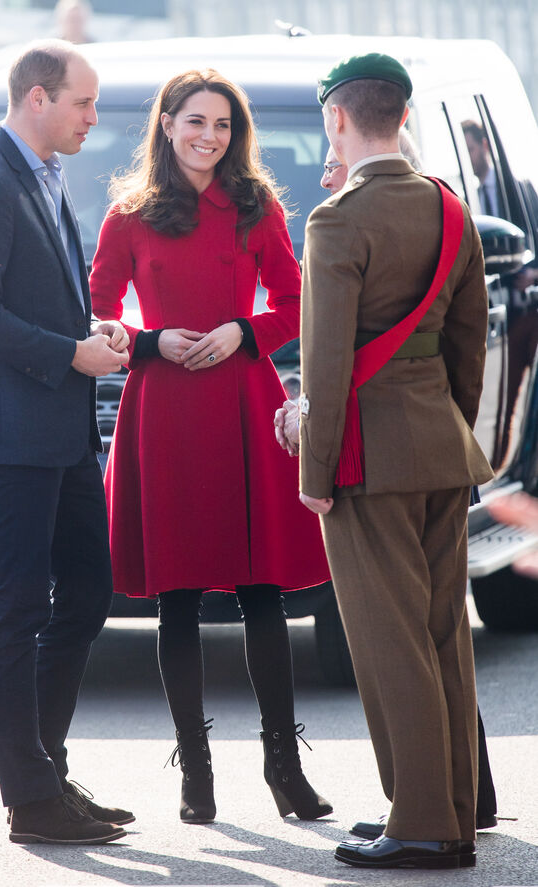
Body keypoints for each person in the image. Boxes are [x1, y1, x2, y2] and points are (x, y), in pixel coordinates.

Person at [89, 68, 332, 825]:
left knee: (262, 591)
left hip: (242, 400)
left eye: (223, 124)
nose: (209, 136)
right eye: (196, 120)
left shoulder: (256, 209)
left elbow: (298, 305)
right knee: (179, 597)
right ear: (167, 124)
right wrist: (152, 340)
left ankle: (283, 768)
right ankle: (196, 772)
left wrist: (244, 330)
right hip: (164, 412)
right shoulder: (127, 216)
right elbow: (96, 318)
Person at [0, 40, 133, 846]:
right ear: (37, 98)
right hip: (15, 432)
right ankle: (32, 800)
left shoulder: (46, 175)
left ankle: (48, 772)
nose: (92, 118)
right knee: (16, 607)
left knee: (86, 589)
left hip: (63, 428)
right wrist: (66, 353)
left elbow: (37, 296)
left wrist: (92, 331)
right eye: (83, 103)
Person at [298, 53, 494, 869]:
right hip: (442, 444)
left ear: (337, 118)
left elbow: (326, 365)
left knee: (391, 640)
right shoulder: (451, 209)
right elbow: (468, 341)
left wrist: (315, 473)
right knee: (444, 629)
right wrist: (444, 420)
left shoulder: (337, 221)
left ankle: (423, 824)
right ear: (404, 115)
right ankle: (460, 799)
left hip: (368, 458)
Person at [462, 119, 502, 218]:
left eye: (470, 150)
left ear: (485, 145)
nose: (467, 158)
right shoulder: (471, 200)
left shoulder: (511, 186)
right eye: (463, 154)